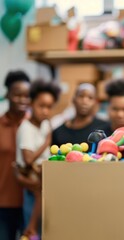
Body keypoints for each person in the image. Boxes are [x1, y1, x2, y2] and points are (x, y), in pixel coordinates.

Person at [16, 79, 61, 239]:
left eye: (49, 107)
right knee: (33, 230)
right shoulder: (26, 128)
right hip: (31, 177)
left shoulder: (44, 124)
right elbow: (27, 159)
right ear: (31, 103)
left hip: (43, 177)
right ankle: (30, 228)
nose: (46, 111)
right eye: (41, 106)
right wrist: (46, 143)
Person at [0, 70, 31, 240]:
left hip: (31, 202)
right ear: (7, 95)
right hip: (3, 204)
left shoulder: (36, 127)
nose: (22, 100)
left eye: (27, 95)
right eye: (17, 95)